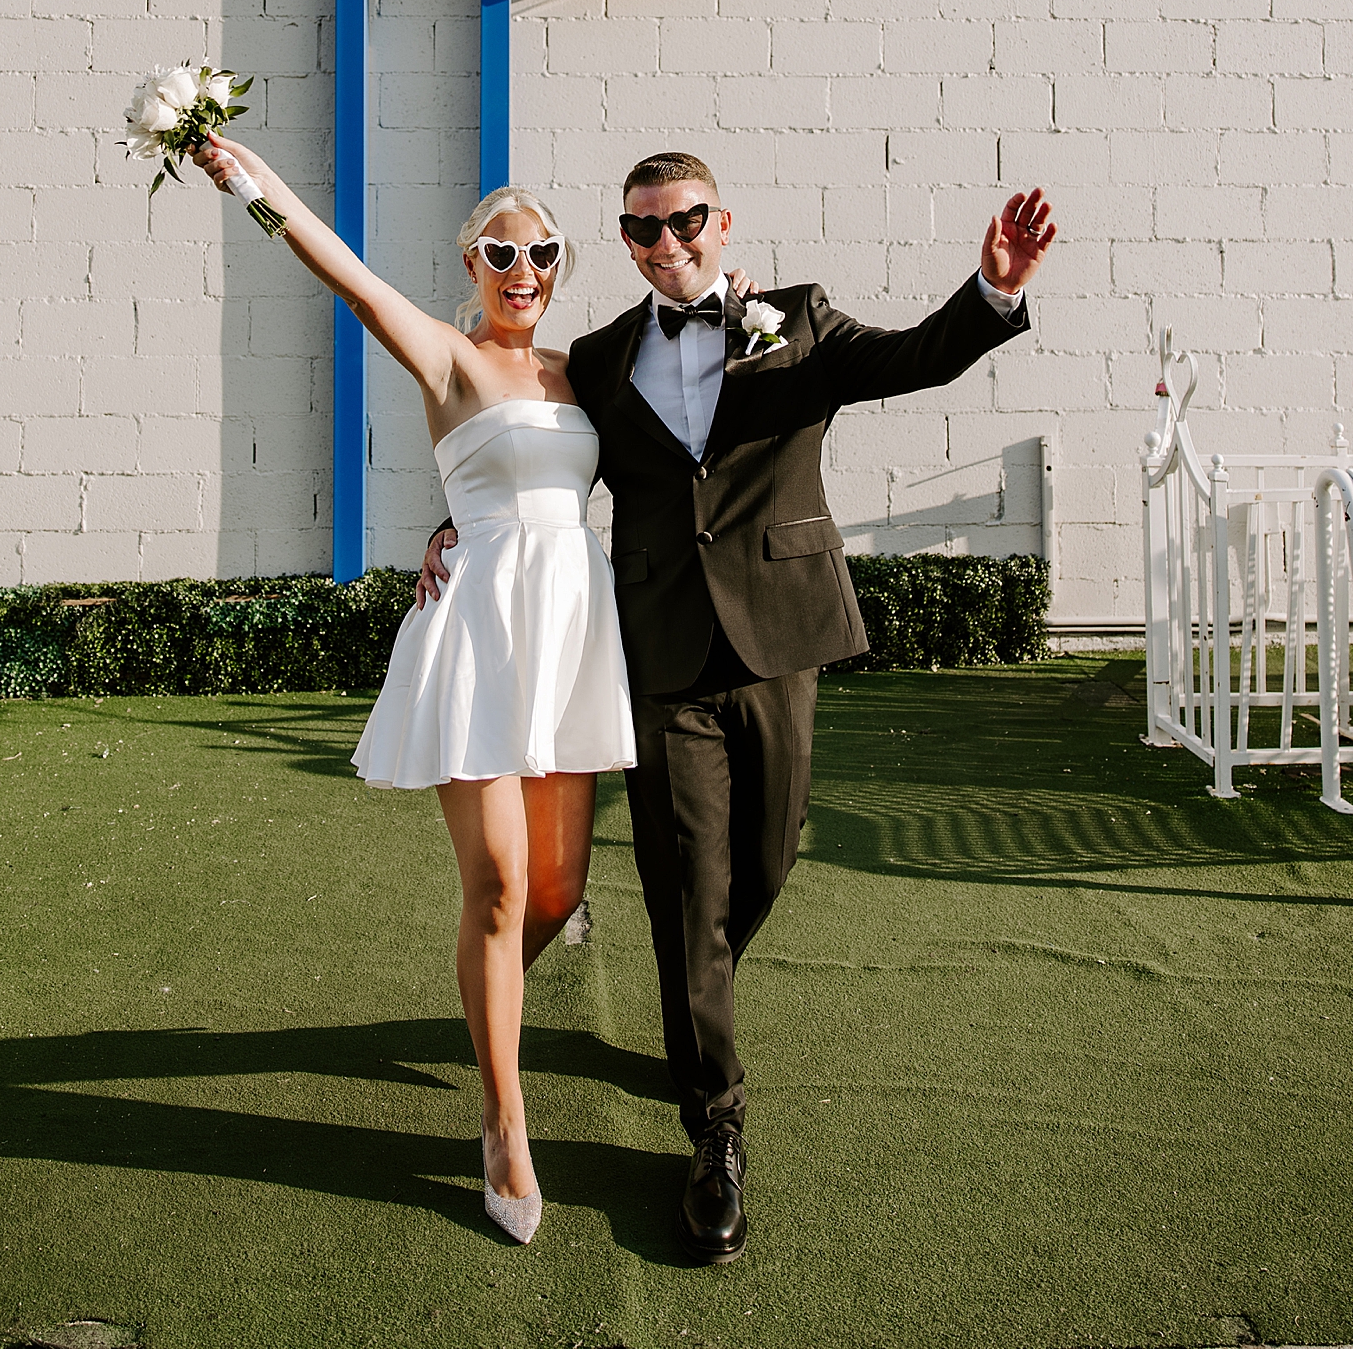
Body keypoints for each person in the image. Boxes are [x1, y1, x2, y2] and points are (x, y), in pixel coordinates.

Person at [420, 153, 1054, 1264]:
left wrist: (994, 290)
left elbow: (914, 360)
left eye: (685, 223)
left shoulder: (797, 322)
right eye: (642, 231)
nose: (667, 246)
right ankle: (715, 1134)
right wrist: (456, 527)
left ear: (723, 221)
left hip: (779, 640)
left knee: (761, 867)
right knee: (686, 893)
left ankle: (692, 990)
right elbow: (529, 461)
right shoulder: (604, 360)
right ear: (624, 242)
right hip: (660, 656)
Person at [190, 132, 761, 1248]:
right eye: (501, 252)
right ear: (471, 264)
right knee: (499, 886)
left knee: (549, 898)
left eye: (543, 251)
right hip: (479, 630)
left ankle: (480, 996)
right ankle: (505, 1122)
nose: (523, 270)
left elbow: (661, 412)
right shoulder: (447, 359)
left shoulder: (582, 369)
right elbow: (340, 271)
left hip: (572, 633)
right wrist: (252, 184)